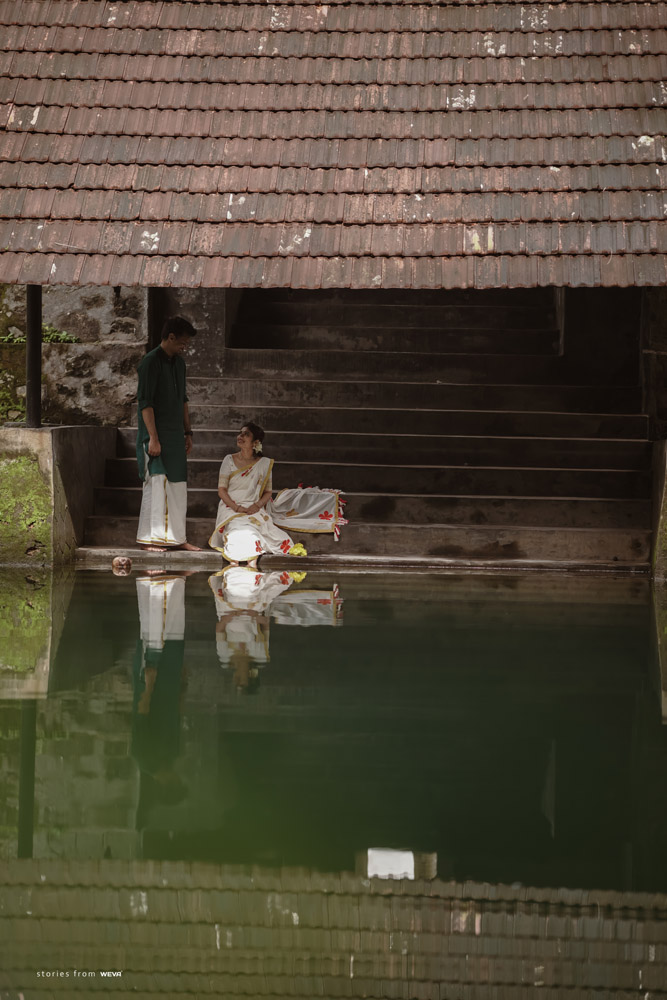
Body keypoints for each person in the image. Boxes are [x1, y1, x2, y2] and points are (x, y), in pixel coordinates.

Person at [208, 421, 347, 565]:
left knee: (258, 530)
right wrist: (237, 508)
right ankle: (240, 559)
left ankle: (251, 561)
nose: (240, 436)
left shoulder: (264, 463)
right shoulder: (229, 460)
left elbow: (268, 492)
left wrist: (257, 506)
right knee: (237, 529)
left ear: (256, 442)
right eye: (240, 433)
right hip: (230, 508)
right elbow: (221, 491)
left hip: (252, 508)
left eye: (246, 434)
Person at [135, 316, 201, 552]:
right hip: (155, 435)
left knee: (177, 486)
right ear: (170, 337)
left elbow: (183, 399)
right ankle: (150, 539)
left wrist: (188, 431)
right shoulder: (149, 363)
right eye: (183, 343)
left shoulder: (180, 364)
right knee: (157, 483)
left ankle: (177, 538)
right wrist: (153, 438)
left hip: (175, 436)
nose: (185, 347)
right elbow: (145, 403)